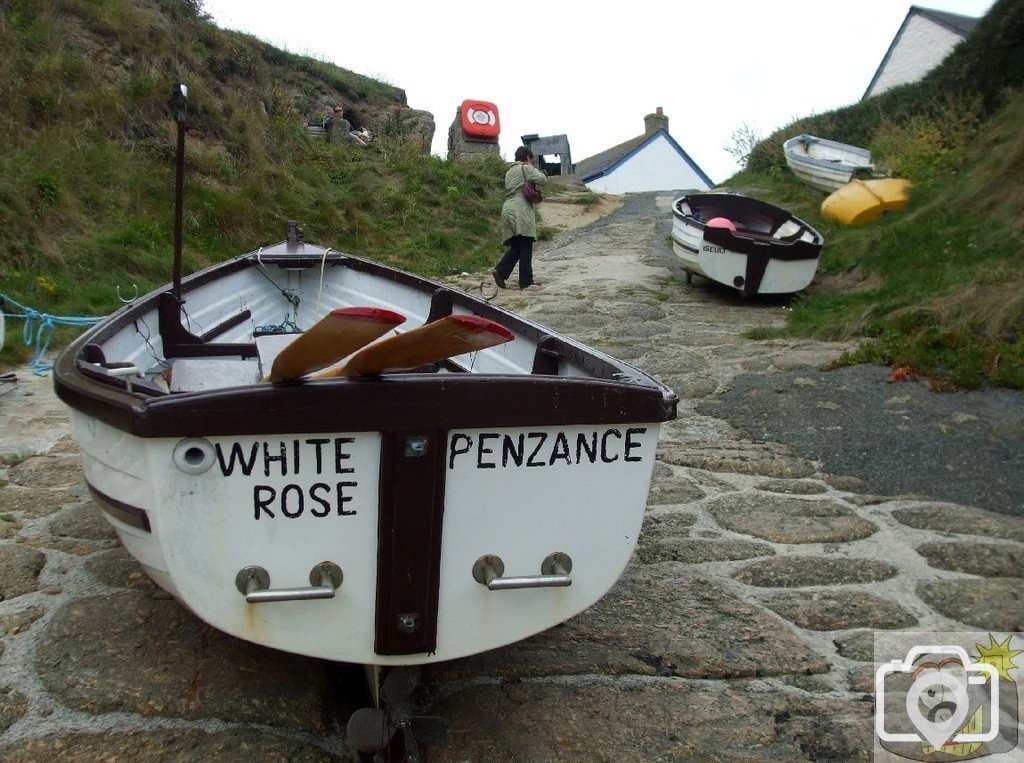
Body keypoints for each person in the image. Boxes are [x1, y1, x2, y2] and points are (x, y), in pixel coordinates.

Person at [493, 146, 547, 290]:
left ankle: (500, 272)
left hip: (507, 208)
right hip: (520, 208)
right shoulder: (526, 168)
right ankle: (526, 280)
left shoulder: (509, 171)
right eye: (531, 159)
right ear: (528, 158)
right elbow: (543, 180)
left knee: (518, 245)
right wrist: (531, 168)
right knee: (527, 242)